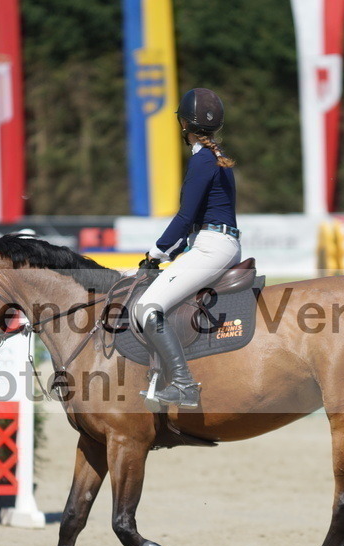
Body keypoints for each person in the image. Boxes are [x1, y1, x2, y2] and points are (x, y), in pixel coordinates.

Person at [135, 88, 241, 409]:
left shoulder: (203, 160)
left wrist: (154, 254)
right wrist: (171, 253)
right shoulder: (217, 156)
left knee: (147, 307)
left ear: (184, 124)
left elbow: (184, 218)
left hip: (211, 246)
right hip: (216, 242)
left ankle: (183, 384)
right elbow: (192, 222)